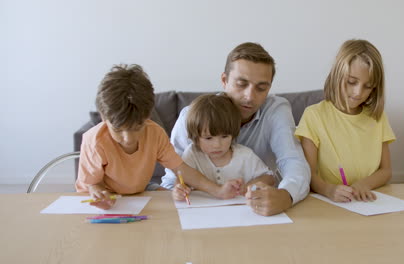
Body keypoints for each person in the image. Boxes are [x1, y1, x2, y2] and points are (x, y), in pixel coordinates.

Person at [162, 42, 311, 216]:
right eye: (241, 84)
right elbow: (173, 178)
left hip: (256, 211)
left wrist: (286, 196)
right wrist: (178, 190)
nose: (250, 96)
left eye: (261, 88)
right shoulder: (191, 117)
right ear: (224, 80)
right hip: (199, 211)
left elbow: (293, 162)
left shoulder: (276, 110)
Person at [75, 64, 239, 209]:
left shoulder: (154, 133)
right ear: (104, 118)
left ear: (147, 116)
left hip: (139, 191)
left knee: (171, 206)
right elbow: (93, 184)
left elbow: (181, 169)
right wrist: (101, 195)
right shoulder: (95, 141)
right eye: (118, 129)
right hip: (103, 196)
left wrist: (218, 191)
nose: (128, 138)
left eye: (137, 127)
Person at [295, 39, 396, 203]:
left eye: (368, 86)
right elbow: (308, 174)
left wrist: (364, 184)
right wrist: (328, 190)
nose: (358, 92)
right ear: (337, 75)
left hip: (369, 201)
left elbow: (386, 170)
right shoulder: (313, 116)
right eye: (351, 82)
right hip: (329, 204)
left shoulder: (378, 117)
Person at [172, 94, 275, 201]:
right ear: (196, 138)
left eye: (224, 136)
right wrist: (179, 189)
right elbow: (182, 178)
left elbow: (269, 177)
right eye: (208, 138)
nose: (217, 145)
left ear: (233, 134)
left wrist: (248, 187)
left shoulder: (244, 155)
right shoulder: (192, 153)